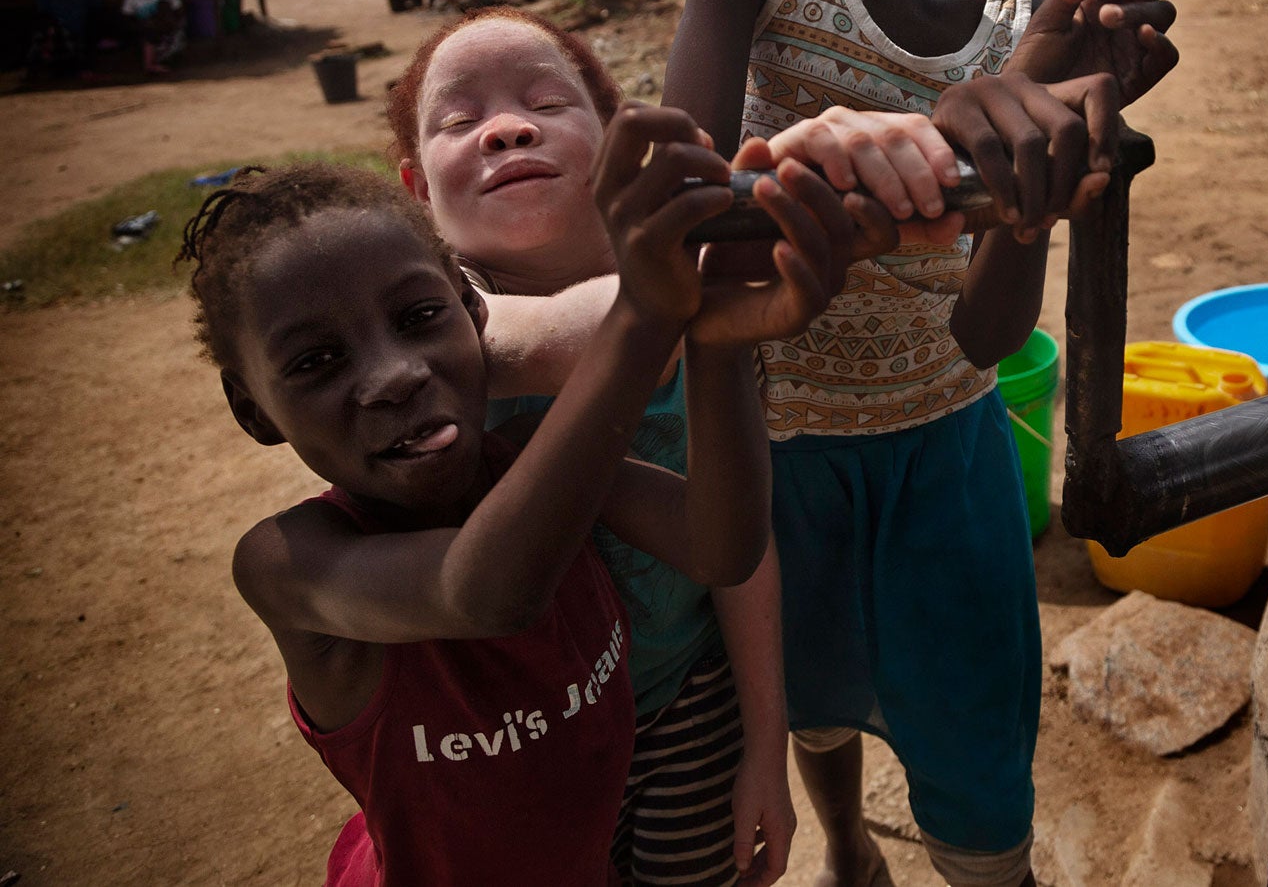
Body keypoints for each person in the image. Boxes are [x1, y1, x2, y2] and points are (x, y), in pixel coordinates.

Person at [668, 0, 1179, 887]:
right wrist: (948, 135)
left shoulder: (1016, 30)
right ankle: (846, 841)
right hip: (768, 440)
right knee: (813, 707)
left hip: (941, 442)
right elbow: (682, 209)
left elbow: (984, 339)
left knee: (974, 753)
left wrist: (1033, 189)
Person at [182, 108, 853, 885]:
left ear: (474, 313)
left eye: (419, 316)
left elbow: (723, 544)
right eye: (316, 361)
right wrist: (644, 312)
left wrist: (719, 342)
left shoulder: (535, 465)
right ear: (253, 409)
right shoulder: (290, 562)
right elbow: (486, 591)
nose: (394, 373)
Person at [386, 5, 800, 887]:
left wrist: (768, 744)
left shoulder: (690, 297)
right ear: (418, 190)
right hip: (518, 734)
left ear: (616, 143)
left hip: (690, 695)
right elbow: (551, 336)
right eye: (458, 122)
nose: (505, 127)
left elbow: (741, 543)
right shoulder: (428, 329)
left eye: (545, 100)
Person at [121, 0, 185, 76]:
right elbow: (127, 20)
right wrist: (144, 26)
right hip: (145, 30)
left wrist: (170, 25)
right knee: (148, 35)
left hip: (166, 28)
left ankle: (157, 64)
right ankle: (151, 66)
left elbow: (179, 15)